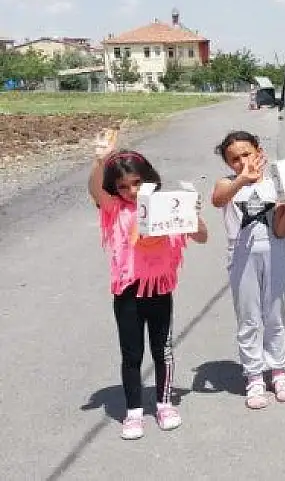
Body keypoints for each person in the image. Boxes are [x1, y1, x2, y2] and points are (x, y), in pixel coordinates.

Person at [88, 130, 208, 439]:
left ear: (148, 178)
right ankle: (134, 412)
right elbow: (95, 191)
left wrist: (195, 216)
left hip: (160, 290)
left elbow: (201, 236)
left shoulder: (167, 204)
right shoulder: (115, 209)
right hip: (127, 292)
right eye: (122, 186)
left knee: (162, 350)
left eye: (136, 183)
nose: (130, 190)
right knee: (132, 354)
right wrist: (100, 159)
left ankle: (165, 403)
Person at [211, 131, 285, 409]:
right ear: (228, 164)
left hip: (275, 253)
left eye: (247, 153)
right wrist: (244, 178)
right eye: (234, 159)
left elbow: (280, 230)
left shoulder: (276, 184)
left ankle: (278, 371)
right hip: (241, 256)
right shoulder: (228, 184)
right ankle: (254, 376)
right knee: (249, 317)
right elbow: (218, 199)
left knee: (275, 314)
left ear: (259, 150)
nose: (242, 161)